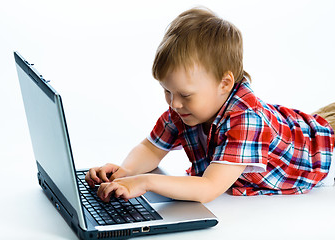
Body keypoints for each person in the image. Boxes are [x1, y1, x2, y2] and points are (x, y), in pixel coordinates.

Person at [85, 7, 335, 203]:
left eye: (184, 94)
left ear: (224, 84)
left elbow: (208, 187)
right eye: (167, 91)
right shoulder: (183, 108)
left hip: (316, 150)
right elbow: (151, 148)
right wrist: (125, 172)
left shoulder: (248, 121)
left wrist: (145, 182)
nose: (174, 103)